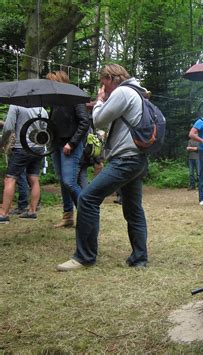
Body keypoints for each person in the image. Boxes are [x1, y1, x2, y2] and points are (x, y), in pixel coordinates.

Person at [57, 63, 149, 271]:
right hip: (137, 158)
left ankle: (84, 257)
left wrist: (99, 100)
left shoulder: (123, 91)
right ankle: (139, 258)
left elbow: (98, 121)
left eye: (103, 83)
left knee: (87, 199)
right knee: (133, 209)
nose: (103, 88)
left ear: (111, 78)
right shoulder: (137, 91)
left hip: (125, 159)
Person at [46, 71, 90, 228]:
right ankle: (68, 217)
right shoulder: (56, 100)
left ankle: (87, 215)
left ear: (58, 81)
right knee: (63, 183)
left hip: (71, 146)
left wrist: (71, 143)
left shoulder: (74, 97)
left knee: (69, 182)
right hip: (56, 146)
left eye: (51, 82)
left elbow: (85, 123)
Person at [0, 105, 48, 223]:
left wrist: (1, 143)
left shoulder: (15, 105)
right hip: (38, 147)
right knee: (34, 178)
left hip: (21, 147)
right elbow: (45, 128)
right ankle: (32, 211)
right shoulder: (41, 108)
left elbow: (8, 128)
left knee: (10, 179)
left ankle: (3, 214)